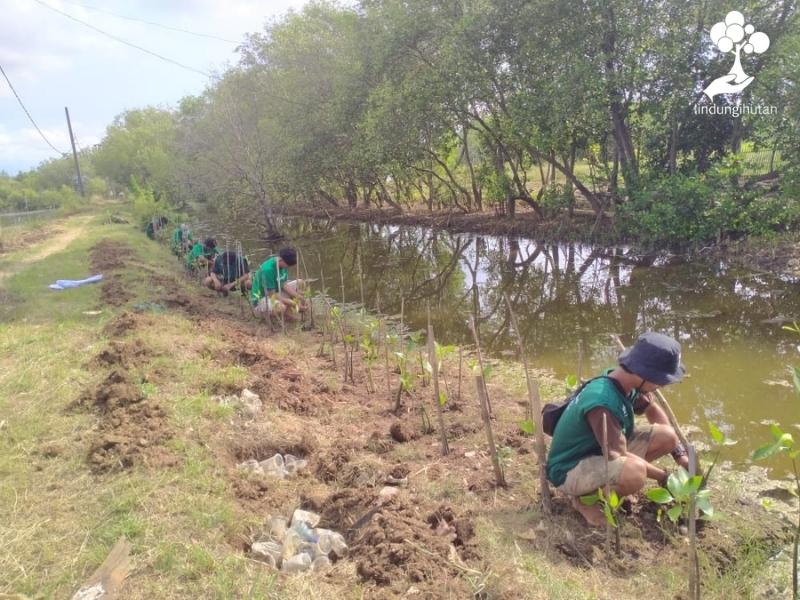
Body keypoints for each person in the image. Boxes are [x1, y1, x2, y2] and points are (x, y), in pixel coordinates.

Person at [546, 332, 689, 526]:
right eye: (660, 380)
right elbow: (619, 454)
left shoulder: (626, 381)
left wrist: (680, 454)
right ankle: (584, 499)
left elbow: (652, 410)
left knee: (668, 436)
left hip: (598, 449)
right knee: (635, 473)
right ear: (643, 374)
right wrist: (665, 478)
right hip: (569, 468)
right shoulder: (603, 404)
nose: (661, 385)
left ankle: (612, 484)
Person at [250, 247, 308, 320]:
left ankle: (287, 313)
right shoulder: (267, 270)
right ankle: (275, 315)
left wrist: (299, 297)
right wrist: (294, 304)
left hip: (276, 293)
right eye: (287, 265)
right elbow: (272, 295)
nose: (287, 267)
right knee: (281, 307)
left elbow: (283, 284)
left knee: (300, 283)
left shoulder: (283, 265)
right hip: (263, 298)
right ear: (281, 259)